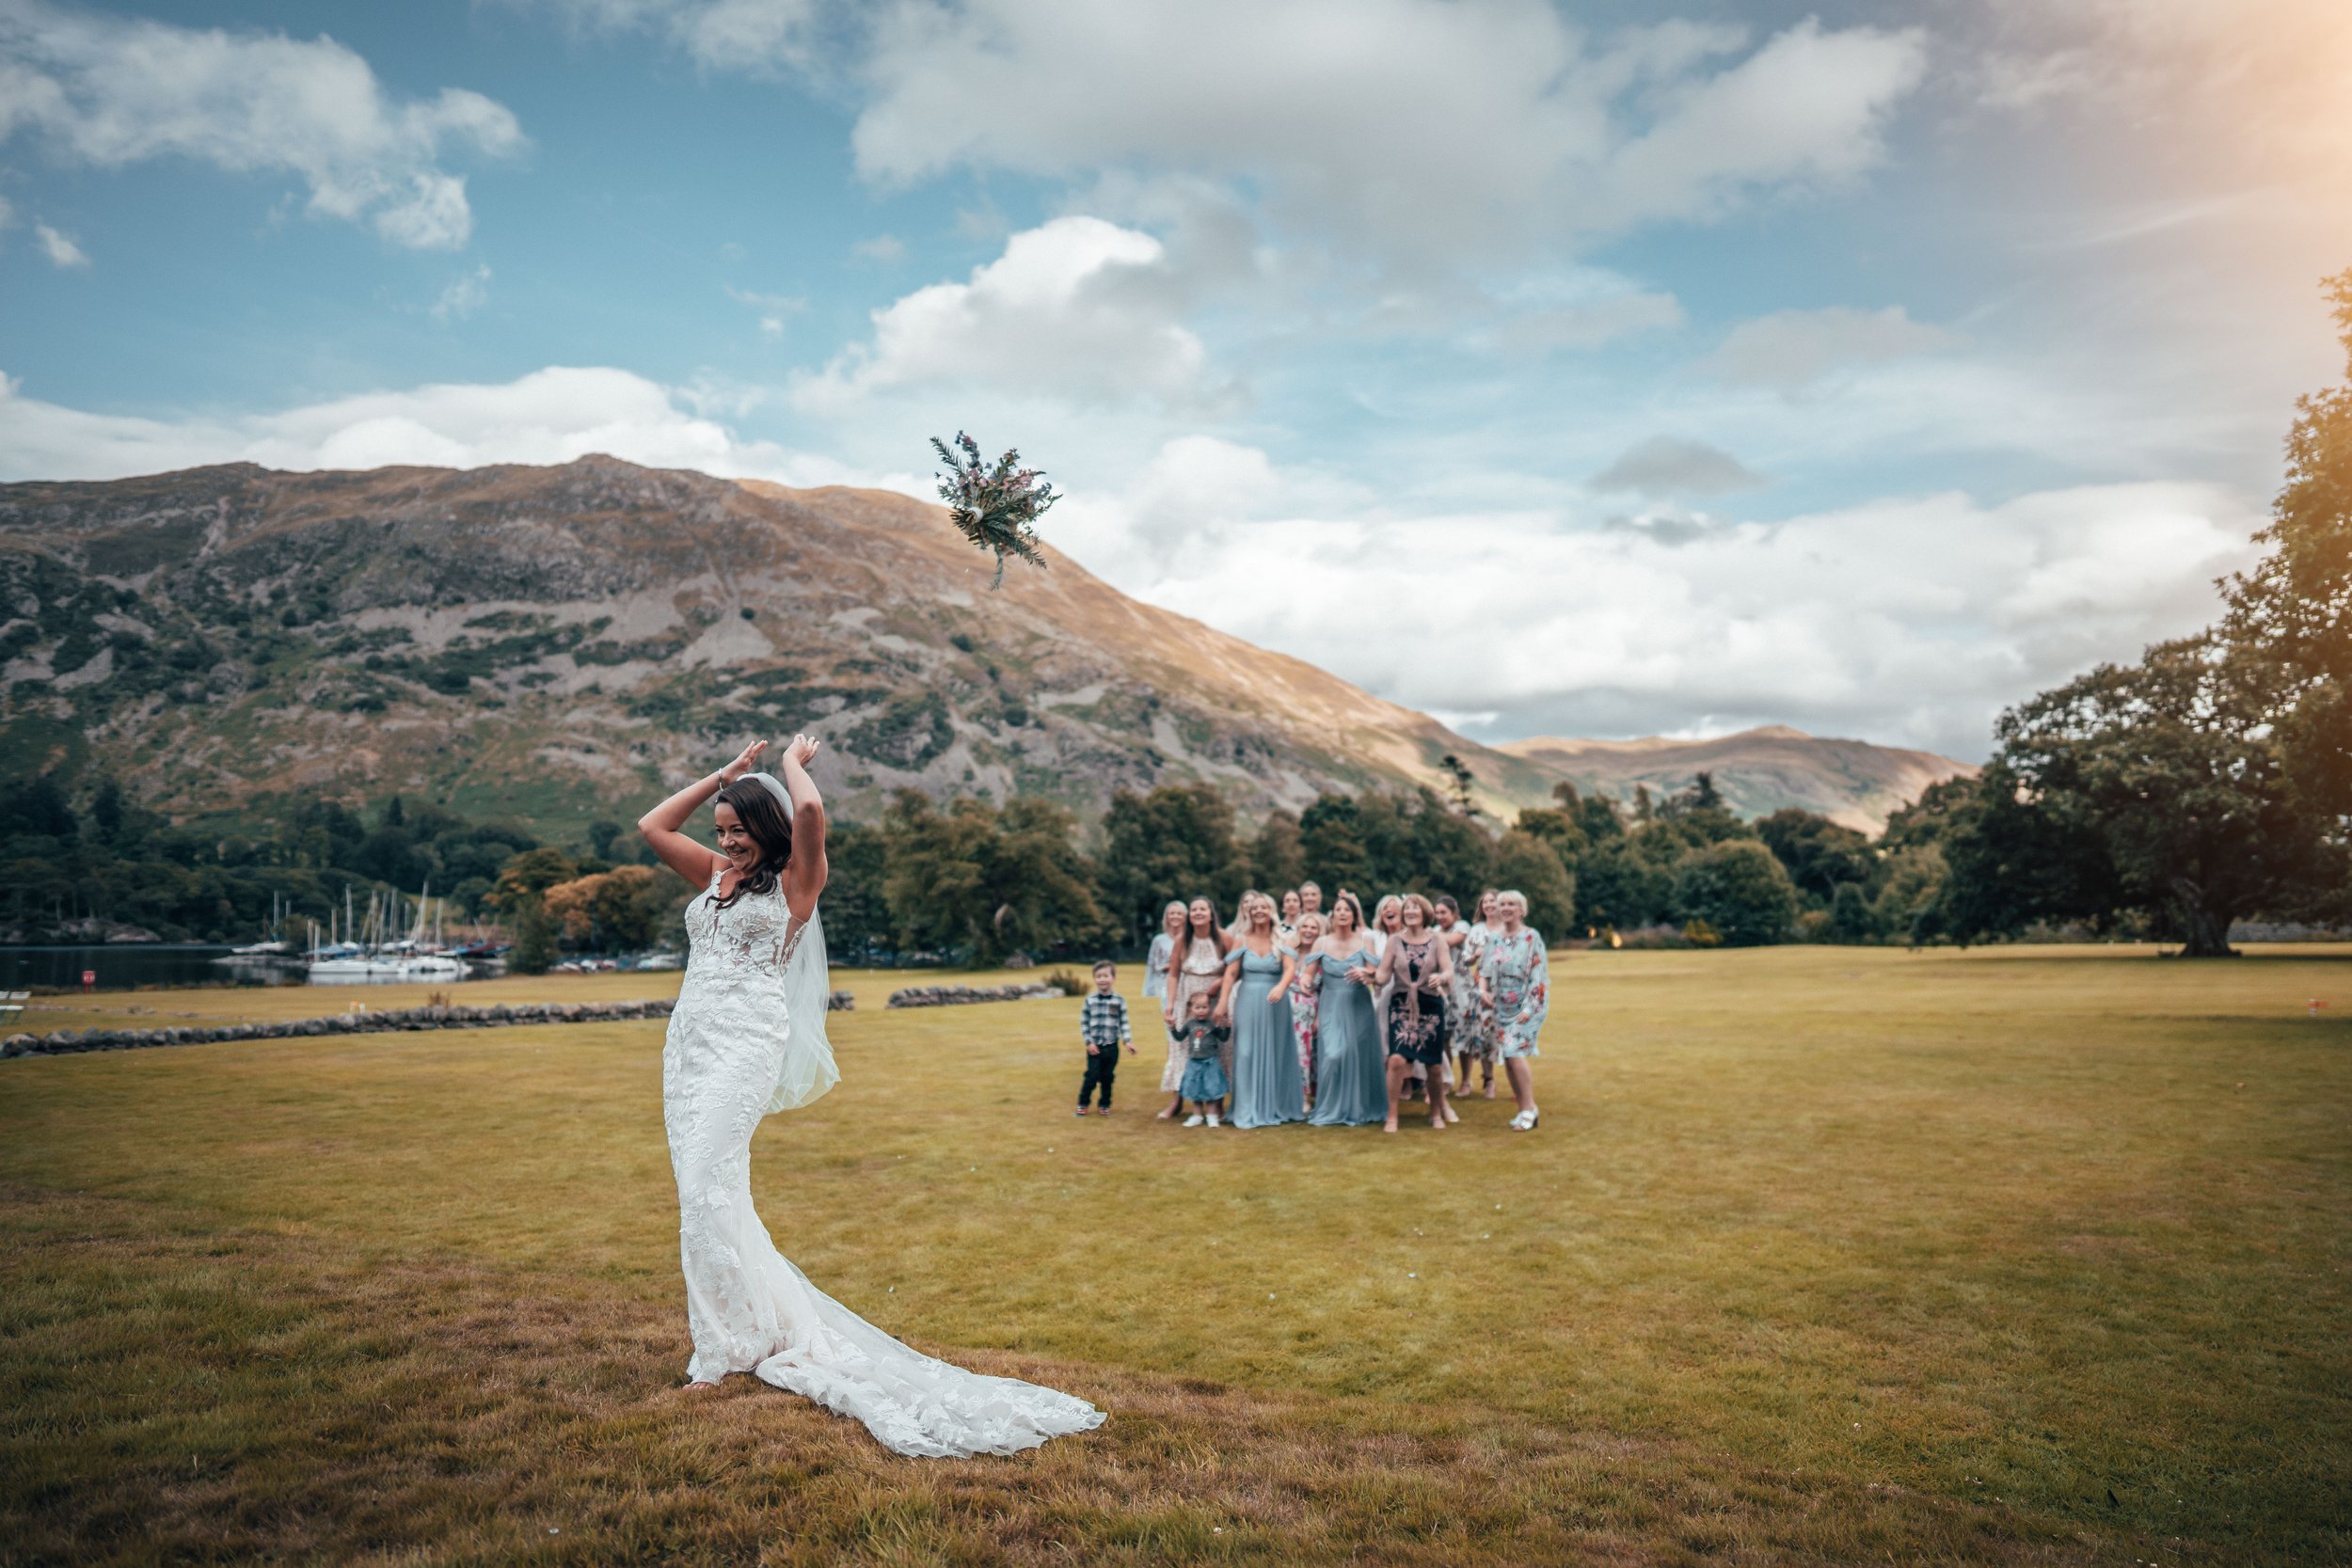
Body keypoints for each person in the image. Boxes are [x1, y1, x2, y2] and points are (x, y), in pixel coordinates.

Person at [638, 734, 1101, 1455]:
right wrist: (723, 776)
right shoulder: (711, 878)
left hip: (744, 1047)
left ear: (767, 829)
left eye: (738, 830)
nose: (727, 842)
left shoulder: (796, 882)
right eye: (722, 831)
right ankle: (741, 1328)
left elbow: (813, 811)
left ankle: (717, 1351)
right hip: (688, 1048)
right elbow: (652, 827)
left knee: (703, 1189)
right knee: (713, 1193)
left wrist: (792, 764)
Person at [1218, 891, 1303, 1128]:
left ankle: (1276, 1105)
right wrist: (1223, 1001)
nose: (1258, 911)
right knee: (1245, 1051)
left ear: (1271, 911)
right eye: (1254, 907)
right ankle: (1247, 1107)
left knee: (1276, 1051)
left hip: (1275, 1003)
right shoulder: (1241, 940)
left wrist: (1281, 986)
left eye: (1263, 907)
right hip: (1248, 1000)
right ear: (1248, 912)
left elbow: (1289, 969)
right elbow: (1232, 973)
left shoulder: (1282, 939)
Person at [1375, 894, 1455, 1132]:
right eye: (1407, 909)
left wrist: (1441, 977)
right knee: (1397, 1059)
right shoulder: (1395, 942)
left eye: (1414, 909)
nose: (1410, 912)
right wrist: (1369, 977)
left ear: (1424, 913)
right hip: (1401, 1004)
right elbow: (1383, 973)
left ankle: (1435, 1113)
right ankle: (1392, 1116)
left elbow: (1448, 969)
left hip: (1430, 1004)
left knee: (1434, 1065)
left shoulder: (1437, 940)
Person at [1306, 892, 1386, 1126]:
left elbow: (1377, 975)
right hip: (1330, 1003)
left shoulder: (1365, 941)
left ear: (1354, 915)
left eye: (1346, 910)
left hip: (1358, 1004)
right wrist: (1304, 982)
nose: (1342, 913)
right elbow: (1309, 974)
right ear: (1332, 915)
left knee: (1355, 1055)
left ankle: (1356, 1108)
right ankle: (1330, 1108)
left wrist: (1367, 974)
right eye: (1338, 910)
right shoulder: (1321, 942)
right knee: (1333, 1055)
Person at [1480, 889, 1550, 1131]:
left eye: (1511, 904)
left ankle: (1530, 1109)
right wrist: (1483, 991)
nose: (1506, 908)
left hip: (1528, 1003)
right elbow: (1484, 971)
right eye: (1502, 904)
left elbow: (1537, 976)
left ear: (1522, 910)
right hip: (1502, 1004)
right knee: (1508, 1058)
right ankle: (1523, 1109)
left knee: (1513, 1050)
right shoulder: (1494, 939)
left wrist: (1529, 1008)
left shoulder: (1532, 937)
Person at [1159, 897, 1232, 1120]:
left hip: (1215, 998)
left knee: (1218, 1047)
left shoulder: (1224, 938)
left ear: (1211, 914)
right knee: (1182, 1049)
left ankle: (1216, 1103)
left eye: (1203, 909)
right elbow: (1173, 974)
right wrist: (1170, 1004)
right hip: (1187, 997)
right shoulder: (1183, 939)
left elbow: (1233, 970)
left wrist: (1218, 985)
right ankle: (1177, 1101)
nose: (1198, 913)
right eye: (1194, 910)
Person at [1454, 889, 1502, 1099]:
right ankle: (1478, 1080)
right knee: (1478, 1033)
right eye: (1485, 903)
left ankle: (1493, 1079)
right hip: (1479, 988)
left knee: (1495, 1035)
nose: (1489, 905)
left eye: (1492, 901)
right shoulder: (1476, 930)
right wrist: (1475, 955)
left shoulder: (1507, 929)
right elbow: (1464, 959)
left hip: (1503, 988)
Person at [1076, 959, 1133, 1116]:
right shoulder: (1090, 1000)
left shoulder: (1119, 1001)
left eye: (1106, 976)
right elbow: (1084, 1023)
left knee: (1107, 1077)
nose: (1102, 979)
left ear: (1113, 978)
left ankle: (1104, 1104)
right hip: (1094, 1047)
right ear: (1095, 979)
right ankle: (1083, 1103)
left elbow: (1124, 1023)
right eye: (1099, 976)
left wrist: (1127, 1041)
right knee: (1092, 1076)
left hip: (1111, 1046)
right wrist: (1089, 1042)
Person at [1173, 990, 1232, 1127]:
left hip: (1210, 1062)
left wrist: (1227, 1028)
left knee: (1211, 1088)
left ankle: (1212, 1116)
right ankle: (1197, 1115)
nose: (1201, 1011)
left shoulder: (1211, 1024)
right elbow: (1179, 1037)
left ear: (1209, 1008)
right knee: (1195, 1089)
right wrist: (1172, 1028)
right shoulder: (1189, 1025)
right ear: (1191, 1008)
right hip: (1194, 1062)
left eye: (1204, 1007)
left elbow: (1223, 1038)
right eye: (1197, 1008)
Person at [1287, 911, 1325, 1100]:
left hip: (1310, 1010)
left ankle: (1304, 1097)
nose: (1309, 931)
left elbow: (1326, 989)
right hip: (1286, 1008)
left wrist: (1319, 1017)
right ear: (1298, 929)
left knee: (1306, 1054)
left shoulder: (1322, 957)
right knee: (1289, 1053)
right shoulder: (1288, 953)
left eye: (1313, 927)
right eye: (1305, 926)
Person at [1142, 901, 1184, 1012]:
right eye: (1172, 913)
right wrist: (1149, 989)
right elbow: (1153, 964)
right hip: (1166, 984)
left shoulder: (1189, 938)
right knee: (1170, 1019)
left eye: (1179, 913)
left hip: (1186, 983)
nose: (1175, 916)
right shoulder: (1159, 940)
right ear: (1167, 917)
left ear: (1185, 917)